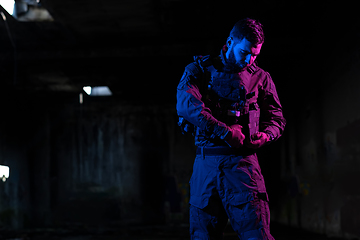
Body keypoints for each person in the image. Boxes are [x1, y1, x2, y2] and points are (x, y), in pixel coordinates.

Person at [176, 18, 286, 240]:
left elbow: (278, 119)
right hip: (206, 167)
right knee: (202, 236)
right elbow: (186, 106)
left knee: (258, 236)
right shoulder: (198, 71)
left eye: (255, 54)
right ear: (229, 43)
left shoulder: (261, 78)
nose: (250, 59)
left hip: (244, 167)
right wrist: (225, 131)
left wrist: (266, 136)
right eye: (245, 52)